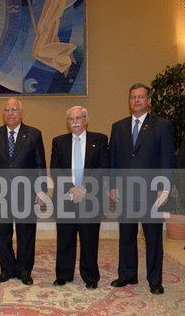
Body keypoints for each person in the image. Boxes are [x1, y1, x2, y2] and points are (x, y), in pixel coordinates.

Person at [109, 83, 174, 295]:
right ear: (129, 101)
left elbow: (167, 158)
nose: (136, 100)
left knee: (153, 236)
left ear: (149, 101)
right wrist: (112, 185)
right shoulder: (118, 126)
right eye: (133, 97)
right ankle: (127, 275)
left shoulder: (162, 125)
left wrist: (163, 187)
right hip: (126, 190)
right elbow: (114, 160)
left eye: (140, 97)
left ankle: (155, 280)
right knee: (126, 235)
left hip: (151, 192)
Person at [0, 98, 46, 285]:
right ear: (3, 113)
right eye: (7, 109)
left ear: (21, 113)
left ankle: (24, 271)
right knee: (2, 233)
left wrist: (41, 190)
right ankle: (6, 270)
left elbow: (40, 164)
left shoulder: (34, 134)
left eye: (14, 109)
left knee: (26, 233)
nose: (10, 112)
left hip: (26, 192)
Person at [50, 106, 109, 290]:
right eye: (71, 119)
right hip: (65, 198)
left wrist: (83, 189)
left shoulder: (99, 140)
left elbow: (103, 167)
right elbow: (55, 169)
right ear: (67, 122)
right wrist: (71, 189)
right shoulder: (59, 142)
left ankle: (90, 276)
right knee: (65, 238)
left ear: (86, 119)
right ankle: (63, 274)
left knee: (89, 239)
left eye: (78, 118)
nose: (75, 121)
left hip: (90, 198)